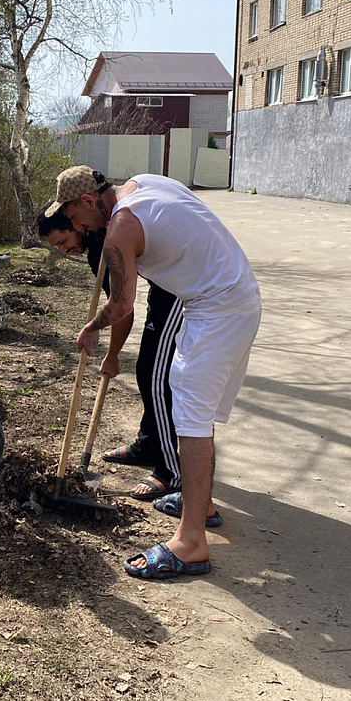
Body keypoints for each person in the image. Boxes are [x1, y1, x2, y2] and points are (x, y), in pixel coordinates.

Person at [44, 165, 261, 579]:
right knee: (195, 412)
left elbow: (122, 305)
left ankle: (191, 543)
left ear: (88, 202)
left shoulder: (120, 228)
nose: (76, 226)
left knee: (191, 418)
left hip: (217, 309)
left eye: (73, 218)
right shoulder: (143, 184)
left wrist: (92, 328)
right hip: (235, 294)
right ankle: (203, 504)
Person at [36, 203, 185, 501]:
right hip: (163, 282)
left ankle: (170, 471)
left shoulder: (103, 243)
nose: (65, 252)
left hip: (181, 284)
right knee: (147, 368)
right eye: (58, 248)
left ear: (76, 224)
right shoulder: (94, 244)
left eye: (64, 242)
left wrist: (112, 356)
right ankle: (149, 444)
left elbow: (121, 310)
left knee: (153, 374)